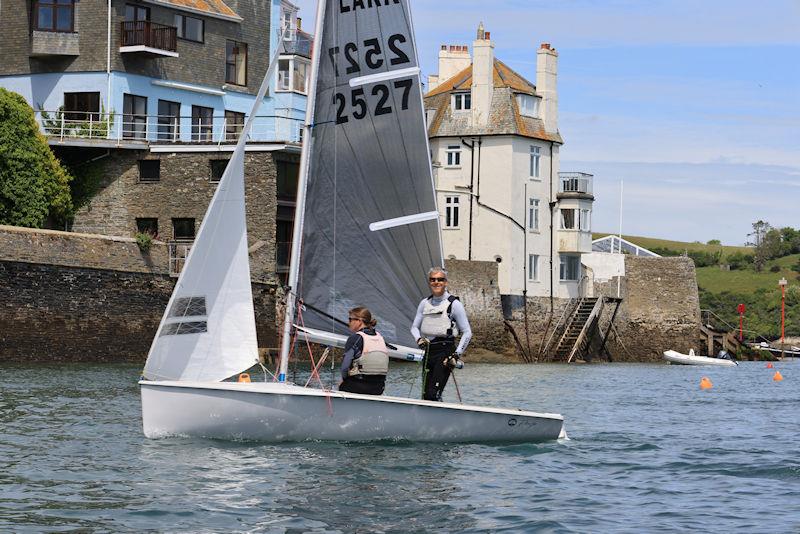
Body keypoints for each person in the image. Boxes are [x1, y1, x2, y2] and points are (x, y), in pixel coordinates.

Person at [411, 267, 472, 401]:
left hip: (445, 352)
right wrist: (418, 339)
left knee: (433, 394)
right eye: (433, 280)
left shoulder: (454, 304)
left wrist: (456, 355)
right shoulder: (424, 303)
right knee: (425, 395)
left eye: (440, 279)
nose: (436, 282)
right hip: (429, 351)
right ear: (429, 282)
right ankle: (428, 420)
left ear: (446, 282)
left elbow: (467, 332)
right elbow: (414, 327)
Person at [339, 306, 389, 395]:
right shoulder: (381, 338)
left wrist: (344, 380)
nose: (348, 322)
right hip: (379, 388)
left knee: (342, 385)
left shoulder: (354, 338)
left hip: (358, 386)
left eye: (350, 319)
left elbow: (344, 367)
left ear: (359, 321)